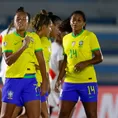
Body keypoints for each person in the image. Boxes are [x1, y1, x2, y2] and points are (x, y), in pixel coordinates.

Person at [55, 10, 103, 118]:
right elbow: (66, 60)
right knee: (62, 114)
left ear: (84, 23)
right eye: (73, 20)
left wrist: (85, 63)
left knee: (91, 114)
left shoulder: (90, 36)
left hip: (87, 82)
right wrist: (59, 78)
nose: (75, 22)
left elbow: (99, 57)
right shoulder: (66, 38)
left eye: (79, 20)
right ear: (70, 22)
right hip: (70, 82)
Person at [1, 7, 47, 118]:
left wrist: (44, 82)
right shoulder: (8, 38)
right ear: (14, 22)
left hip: (31, 82)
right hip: (13, 81)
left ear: (28, 23)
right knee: (5, 116)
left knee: (34, 116)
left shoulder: (34, 38)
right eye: (18, 19)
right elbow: (8, 61)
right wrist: (23, 47)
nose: (21, 21)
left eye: (24, 19)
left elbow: (41, 61)